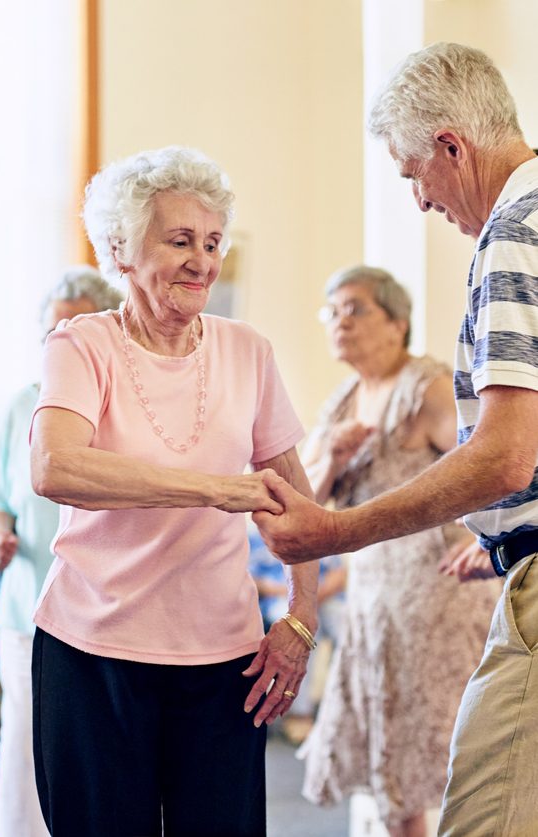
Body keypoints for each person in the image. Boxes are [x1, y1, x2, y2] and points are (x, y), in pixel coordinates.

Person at [254, 43, 538, 837]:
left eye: (413, 174)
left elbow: (504, 454)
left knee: (478, 817)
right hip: (482, 562)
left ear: (452, 146)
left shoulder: (516, 229)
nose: (417, 202)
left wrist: (335, 530)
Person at [29, 145, 319, 837]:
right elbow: (56, 468)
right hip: (90, 650)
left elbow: (296, 502)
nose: (202, 260)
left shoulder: (247, 350)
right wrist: (213, 489)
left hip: (223, 657)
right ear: (122, 250)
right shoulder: (80, 344)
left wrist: (300, 619)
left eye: (212, 242)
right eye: (180, 239)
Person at [296, 265, 500, 836]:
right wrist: (332, 457)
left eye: (355, 308)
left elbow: (494, 465)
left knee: (447, 746)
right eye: (332, 310)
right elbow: (304, 508)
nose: (341, 321)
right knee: (392, 752)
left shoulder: (426, 388)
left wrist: (491, 540)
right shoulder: (343, 401)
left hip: (439, 598)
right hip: (372, 600)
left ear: (397, 323)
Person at [0, 265, 122, 837]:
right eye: (50, 331)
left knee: (99, 753)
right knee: (22, 745)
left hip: (108, 612)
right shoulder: (23, 405)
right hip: (26, 608)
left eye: (73, 328)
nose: (59, 343)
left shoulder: (119, 399)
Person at [248, 526, 346, 745]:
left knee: (349, 626)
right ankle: (298, 713)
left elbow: (339, 573)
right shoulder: (252, 536)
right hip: (281, 599)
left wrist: (311, 596)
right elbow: (249, 580)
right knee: (302, 631)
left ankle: (346, 712)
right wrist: (298, 597)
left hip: (323, 598)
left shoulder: (315, 528)